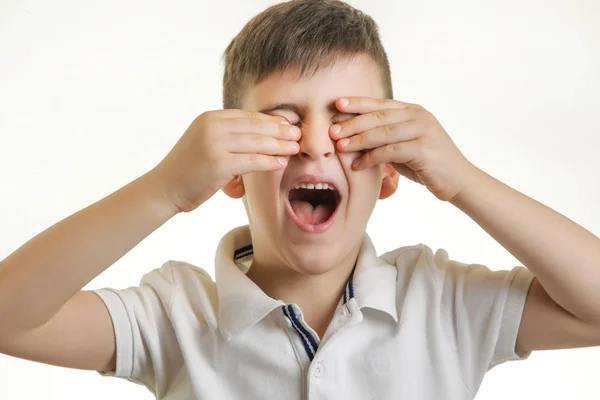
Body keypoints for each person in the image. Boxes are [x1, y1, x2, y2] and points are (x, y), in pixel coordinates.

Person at [1, 0, 599, 398]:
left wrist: (465, 181)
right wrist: (163, 189)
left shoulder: (444, 304)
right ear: (230, 171)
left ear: (391, 172)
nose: (314, 145)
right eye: (280, 126)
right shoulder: (173, 317)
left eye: (349, 128)